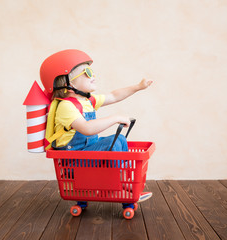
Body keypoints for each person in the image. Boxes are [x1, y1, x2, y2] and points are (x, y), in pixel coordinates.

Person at [40, 49, 153, 202]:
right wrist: (115, 118)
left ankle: (123, 184)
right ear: (68, 83)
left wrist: (138, 87)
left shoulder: (87, 101)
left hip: (87, 155)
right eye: (87, 72)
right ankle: (120, 187)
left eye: (92, 71)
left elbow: (113, 95)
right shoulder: (66, 106)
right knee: (110, 145)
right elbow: (86, 128)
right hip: (74, 164)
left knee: (119, 139)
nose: (93, 75)